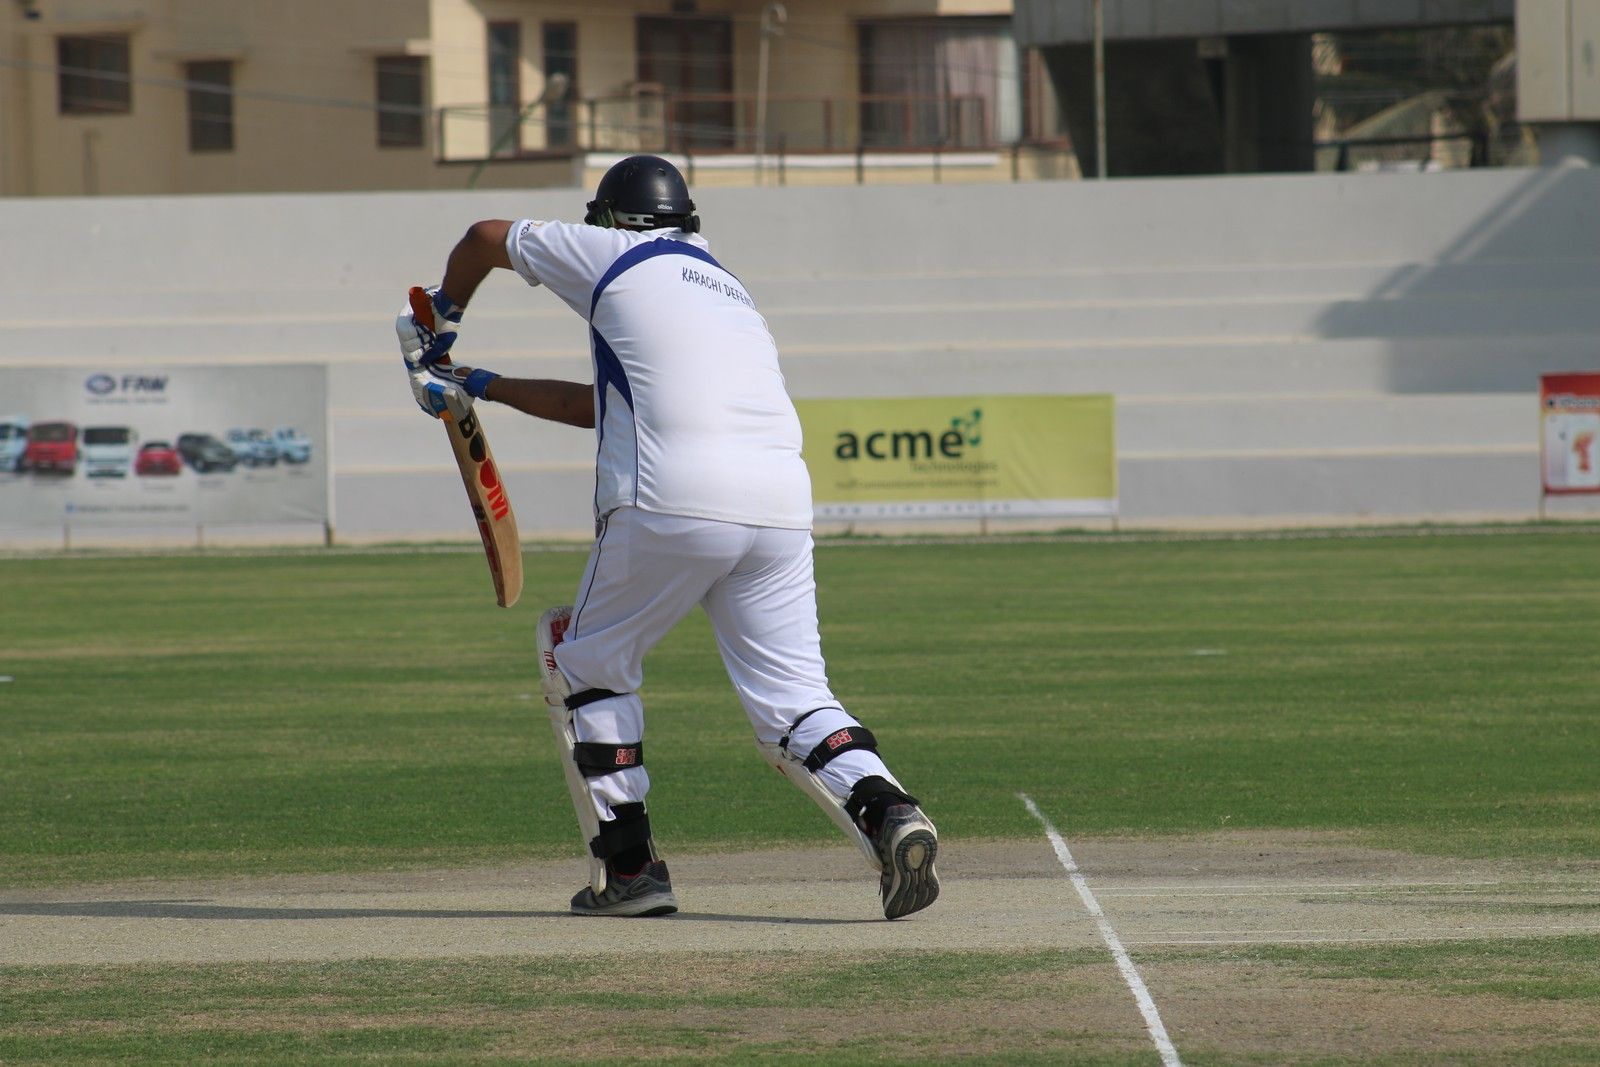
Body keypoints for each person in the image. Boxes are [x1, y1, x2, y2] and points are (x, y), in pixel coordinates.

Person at [395, 155, 939, 920]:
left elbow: (484, 236)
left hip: (670, 497)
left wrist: (438, 320)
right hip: (779, 503)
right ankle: (889, 811)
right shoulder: (726, 288)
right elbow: (599, 407)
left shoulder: (614, 251)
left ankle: (630, 870)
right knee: (796, 700)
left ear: (613, 219)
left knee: (582, 660)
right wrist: (479, 383)